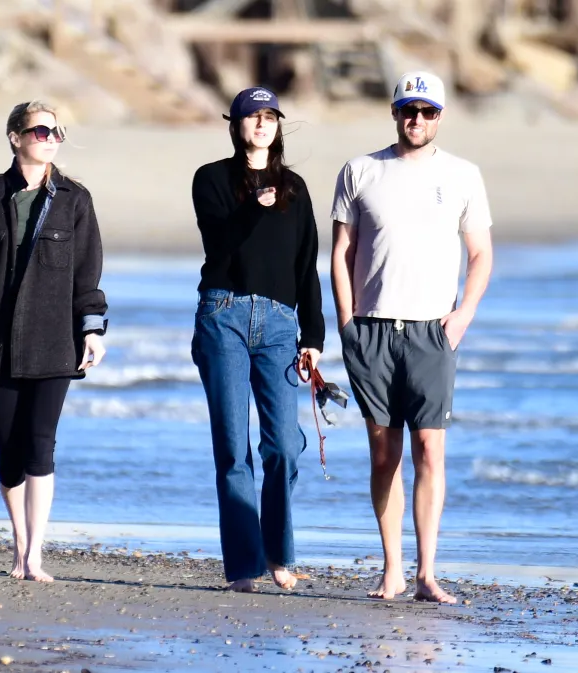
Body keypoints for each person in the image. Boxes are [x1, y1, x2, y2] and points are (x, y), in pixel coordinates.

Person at [330, 71, 494, 604]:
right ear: (395, 112)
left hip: (432, 330)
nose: (416, 120)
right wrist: (347, 322)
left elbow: (480, 254)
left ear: (440, 117)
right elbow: (341, 252)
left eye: (426, 112)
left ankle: (427, 574)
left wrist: (463, 313)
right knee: (384, 454)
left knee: (430, 449)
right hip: (372, 328)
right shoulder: (360, 170)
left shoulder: (464, 175)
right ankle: (392, 569)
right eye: (408, 110)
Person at [0, 101, 108, 582]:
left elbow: (87, 272)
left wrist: (93, 327)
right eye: (40, 129)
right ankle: (18, 543)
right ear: (15, 137)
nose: (51, 136)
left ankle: (34, 554)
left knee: (41, 447)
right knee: (9, 455)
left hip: (55, 343)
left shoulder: (75, 200)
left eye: (57, 130)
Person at [190, 87, 325, 593]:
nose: (263, 124)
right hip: (222, 313)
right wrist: (254, 208)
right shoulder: (212, 179)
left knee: (284, 447)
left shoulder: (295, 187)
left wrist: (313, 335)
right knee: (232, 449)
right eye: (253, 116)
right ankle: (246, 567)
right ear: (236, 124)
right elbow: (219, 242)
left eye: (270, 116)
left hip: (278, 324)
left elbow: (305, 264)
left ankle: (280, 554)